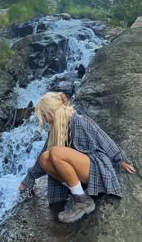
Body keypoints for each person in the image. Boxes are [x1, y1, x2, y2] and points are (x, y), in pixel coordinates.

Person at [18, 92, 135, 223]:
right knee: (45, 158)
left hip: (94, 170)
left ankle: (82, 200)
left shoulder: (79, 120)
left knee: (56, 152)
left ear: (52, 111)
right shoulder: (54, 130)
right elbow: (42, 157)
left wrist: (120, 159)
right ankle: (77, 192)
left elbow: (102, 138)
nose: (44, 119)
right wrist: (29, 179)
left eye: (44, 115)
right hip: (81, 174)